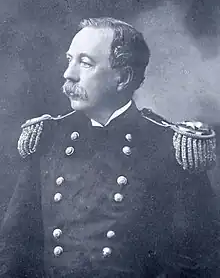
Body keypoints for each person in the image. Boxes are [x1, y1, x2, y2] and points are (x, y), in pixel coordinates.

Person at [0, 17, 219, 278]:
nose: (69, 73)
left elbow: (196, 262)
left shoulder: (169, 150)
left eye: (85, 63)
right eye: (70, 59)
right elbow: (15, 249)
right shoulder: (47, 139)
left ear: (123, 77)